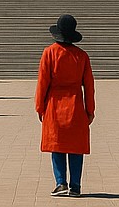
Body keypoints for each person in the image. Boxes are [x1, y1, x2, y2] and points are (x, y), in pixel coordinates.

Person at [35, 14, 96, 197]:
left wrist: (39, 106)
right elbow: (90, 86)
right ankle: (75, 186)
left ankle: (60, 183)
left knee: (57, 145)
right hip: (76, 104)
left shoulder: (49, 53)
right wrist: (90, 110)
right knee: (76, 147)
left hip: (54, 105)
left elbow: (42, 82)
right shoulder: (82, 56)